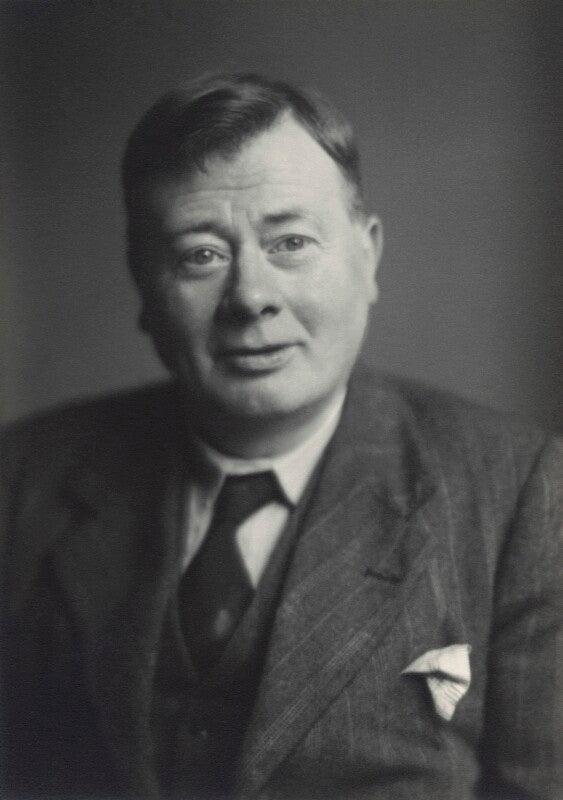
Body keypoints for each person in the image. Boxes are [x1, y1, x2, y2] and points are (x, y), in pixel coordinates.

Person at [1, 72, 561, 800]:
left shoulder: (516, 492)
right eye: (201, 255)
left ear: (367, 256)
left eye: (290, 242)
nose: (251, 298)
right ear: (143, 284)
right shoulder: (25, 480)